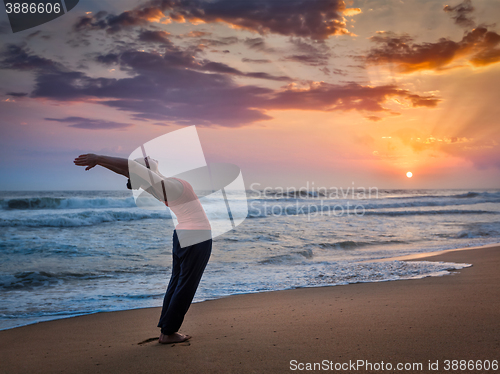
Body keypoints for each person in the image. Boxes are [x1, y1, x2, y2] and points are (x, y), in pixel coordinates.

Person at [74, 153, 212, 344]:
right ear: (146, 170)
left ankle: (167, 329)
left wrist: (103, 163)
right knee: (185, 286)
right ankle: (168, 332)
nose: (148, 155)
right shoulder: (167, 186)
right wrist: (99, 159)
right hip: (196, 236)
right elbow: (133, 169)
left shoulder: (159, 185)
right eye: (145, 160)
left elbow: (129, 170)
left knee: (177, 283)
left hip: (183, 234)